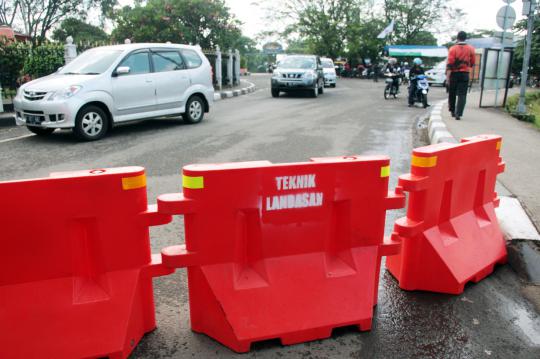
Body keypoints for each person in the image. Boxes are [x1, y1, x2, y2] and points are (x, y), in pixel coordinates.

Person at [446, 31, 476, 120]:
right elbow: (473, 62)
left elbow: (450, 63)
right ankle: (458, 113)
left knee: (452, 92)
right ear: (465, 38)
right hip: (465, 73)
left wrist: (448, 76)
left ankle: (452, 110)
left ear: (457, 38)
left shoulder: (453, 49)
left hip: (454, 73)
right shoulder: (471, 49)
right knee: (462, 94)